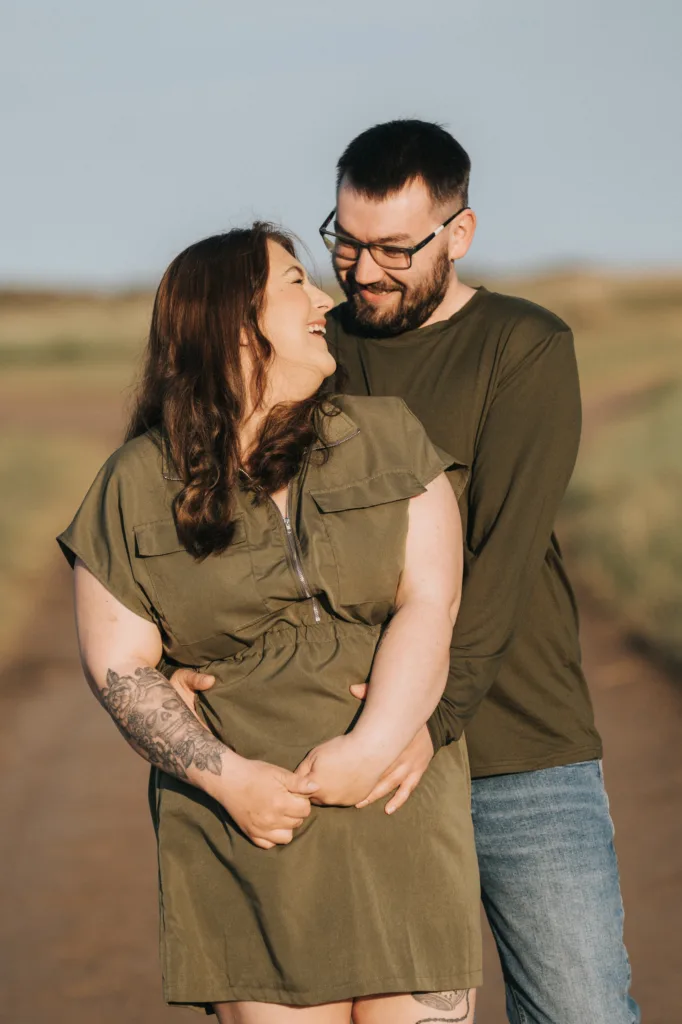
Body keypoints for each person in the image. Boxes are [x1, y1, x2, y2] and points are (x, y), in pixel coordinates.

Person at [57, 224, 482, 1023]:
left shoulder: (388, 434)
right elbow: (119, 666)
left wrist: (372, 745)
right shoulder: (134, 482)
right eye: (296, 283)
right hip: (246, 838)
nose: (326, 300)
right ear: (232, 320)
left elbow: (434, 602)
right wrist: (233, 781)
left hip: (394, 814)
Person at [318, 119, 640, 1024]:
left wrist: (431, 721)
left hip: (518, 753)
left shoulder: (525, 345)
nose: (365, 270)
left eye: (392, 249)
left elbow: (498, 563)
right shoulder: (311, 351)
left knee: (581, 1009)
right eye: (346, 243)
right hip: (363, 756)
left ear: (458, 234)